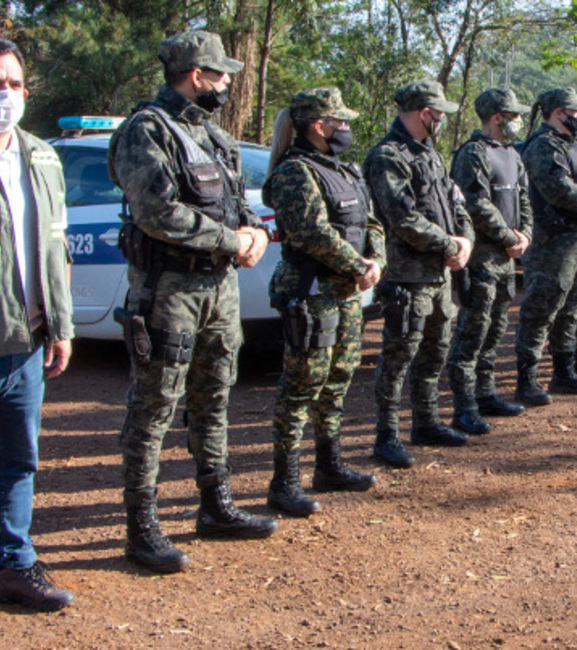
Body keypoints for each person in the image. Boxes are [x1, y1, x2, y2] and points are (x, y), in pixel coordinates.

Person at [108, 30, 277, 574]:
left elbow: (236, 204)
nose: (228, 81)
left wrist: (255, 235)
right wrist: (233, 242)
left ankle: (215, 506)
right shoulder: (146, 131)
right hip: (169, 294)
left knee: (214, 398)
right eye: (220, 73)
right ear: (196, 75)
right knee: (154, 408)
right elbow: (159, 212)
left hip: (218, 291)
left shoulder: (215, 136)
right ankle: (142, 529)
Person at [263, 88, 385, 517]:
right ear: (320, 125)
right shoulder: (295, 172)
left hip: (348, 294)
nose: (347, 129)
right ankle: (285, 483)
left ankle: (329, 467)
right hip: (313, 295)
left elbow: (371, 222)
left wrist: (376, 262)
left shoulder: (345, 169)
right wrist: (356, 264)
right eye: (342, 122)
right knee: (301, 388)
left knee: (338, 381)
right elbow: (312, 232)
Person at [363, 80, 475, 469]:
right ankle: (386, 435)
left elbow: (456, 202)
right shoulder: (387, 156)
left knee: (435, 352)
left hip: (440, 276)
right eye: (439, 113)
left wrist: (466, 242)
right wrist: (450, 246)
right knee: (399, 356)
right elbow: (403, 218)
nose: (442, 119)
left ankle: (426, 422)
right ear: (426, 113)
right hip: (408, 277)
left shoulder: (431, 154)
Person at [0, 38, 75, 611]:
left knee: (19, 458)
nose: (7, 95)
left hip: (24, 341)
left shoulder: (41, 155)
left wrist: (63, 323)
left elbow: (57, 248)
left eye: (14, 85)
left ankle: (14, 563)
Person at [514, 87, 577, 405]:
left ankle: (564, 372)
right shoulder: (543, 145)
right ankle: (527, 380)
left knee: (573, 308)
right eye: (575, 112)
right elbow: (558, 187)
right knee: (541, 310)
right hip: (553, 242)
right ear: (559, 113)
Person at [446, 88, 532, 435]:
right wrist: (509, 237)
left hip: (506, 260)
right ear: (498, 117)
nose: (518, 122)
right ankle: (464, 407)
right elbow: (476, 204)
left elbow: (524, 197)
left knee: (495, 330)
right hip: (481, 260)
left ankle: (485, 394)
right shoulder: (472, 154)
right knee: (472, 332)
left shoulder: (512, 154)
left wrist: (525, 234)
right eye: (514, 116)